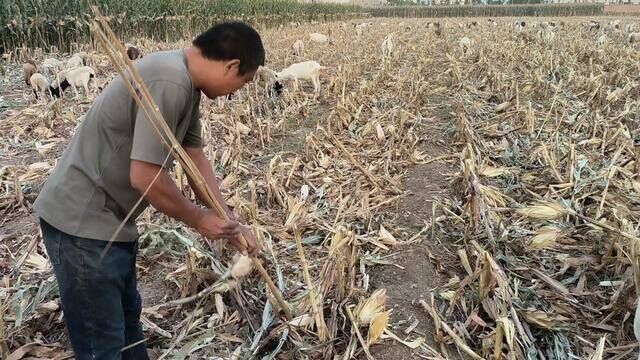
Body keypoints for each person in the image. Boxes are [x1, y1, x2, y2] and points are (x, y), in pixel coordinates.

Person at [33, 22, 263, 360]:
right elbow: (145, 176)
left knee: (128, 335)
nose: (234, 93)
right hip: (82, 226)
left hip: (110, 225)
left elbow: (194, 158)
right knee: (104, 346)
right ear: (231, 66)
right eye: (242, 83)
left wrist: (229, 222)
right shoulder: (170, 81)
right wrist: (199, 220)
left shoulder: (183, 81)